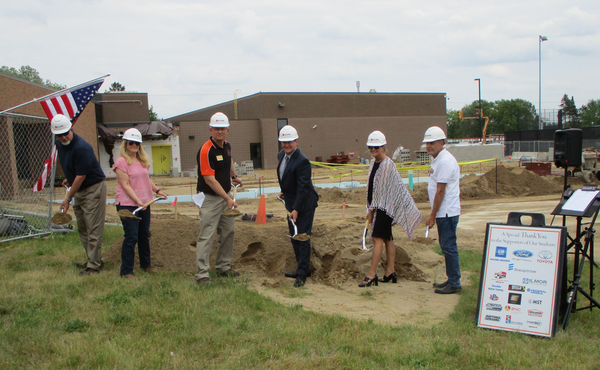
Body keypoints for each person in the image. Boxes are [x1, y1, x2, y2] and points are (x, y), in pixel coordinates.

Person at [359, 131, 422, 287]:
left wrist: (372, 209)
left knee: (377, 238)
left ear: (383, 147)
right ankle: (390, 271)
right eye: (370, 147)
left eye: (376, 147)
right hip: (379, 205)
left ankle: (371, 274)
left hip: (385, 207)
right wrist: (371, 207)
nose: (373, 149)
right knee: (388, 238)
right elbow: (372, 187)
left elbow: (381, 191)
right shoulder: (373, 163)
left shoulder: (387, 164)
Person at [52, 114, 107, 276]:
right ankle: (92, 259)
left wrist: (67, 198)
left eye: (66, 133)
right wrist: (68, 180)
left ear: (72, 129)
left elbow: (81, 176)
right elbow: (73, 170)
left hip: (93, 188)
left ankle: (94, 266)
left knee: (93, 228)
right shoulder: (59, 145)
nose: (63, 137)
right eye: (59, 135)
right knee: (83, 227)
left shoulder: (82, 147)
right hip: (78, 189)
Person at [195, 112, 243, 285]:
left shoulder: (227, 146)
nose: (220, 132)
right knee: (206, 236)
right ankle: (202, 275)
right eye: (217, 129)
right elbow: (209, 179)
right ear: (211, 129)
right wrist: (228, 199)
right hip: (210, 198)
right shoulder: (206, 150)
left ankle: (223, 267)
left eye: (223, 128)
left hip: (225, 197)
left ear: (228, 130)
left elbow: (228, 161)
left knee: (228, 231)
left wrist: (234, 176)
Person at [113, 128, 167, 279]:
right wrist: (137, 201)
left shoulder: (142, 161)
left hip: (145, 203)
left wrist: (158, 191)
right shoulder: (121, 162)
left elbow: (146, 180)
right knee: (131, 236)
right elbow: (125, 185)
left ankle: (146, 264)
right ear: (125, 144)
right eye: (131, 143)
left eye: (137, 143)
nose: (134, 146)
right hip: (127, 204)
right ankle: (126, 271)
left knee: (143, 235)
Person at [277, 125, 319, 288]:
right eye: (283, 142)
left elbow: (303, 188)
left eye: (289, 142)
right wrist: (284, 191)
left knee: (302, 236)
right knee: (294, 235)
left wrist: (296, 209)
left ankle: (302, 273)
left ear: (296, 141)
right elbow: (286, 176)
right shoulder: (282, 155)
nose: (286, 145)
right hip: (291, 202)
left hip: (304, 203)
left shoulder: (303, 161)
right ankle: (301, 267)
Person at [423, 126, 462, 294]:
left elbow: (440, 191)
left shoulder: (445, 161)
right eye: (427, 143)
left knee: (448, 247)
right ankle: (451, 279)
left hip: (446, 212)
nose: (428, 146)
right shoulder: (438, 159)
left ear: (441, 142)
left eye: (431, 143)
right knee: (446, 246)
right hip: (442, 212)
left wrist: (433, 215)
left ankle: (454, 283)